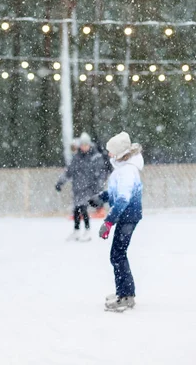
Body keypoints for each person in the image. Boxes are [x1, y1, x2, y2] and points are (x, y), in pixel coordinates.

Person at [89, 131, 143, 312]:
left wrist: (108, 222)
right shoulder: (122, 168)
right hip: (126, 216)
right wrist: (102, 197)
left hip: (128, 217)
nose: (109, 154)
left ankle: (126, 296)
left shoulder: (128, 171)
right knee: (118, 254)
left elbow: (122, 199)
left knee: (118, 255)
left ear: (119, 153)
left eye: (111, 151)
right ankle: (124, 291)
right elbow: (115, 193)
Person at [55, 132, 105, 242]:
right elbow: (68, 172)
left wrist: (98, 188)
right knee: (76, 209)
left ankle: (87, 230)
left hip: (88, 188)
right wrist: (60, 182)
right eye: (82, 145)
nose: (84, 147)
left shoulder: (95, 157)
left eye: (86, 145)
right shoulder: (76, 158)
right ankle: (76, 231)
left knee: (83, 208)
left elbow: (100, 174)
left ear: (89, 145)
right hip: (77, 188)